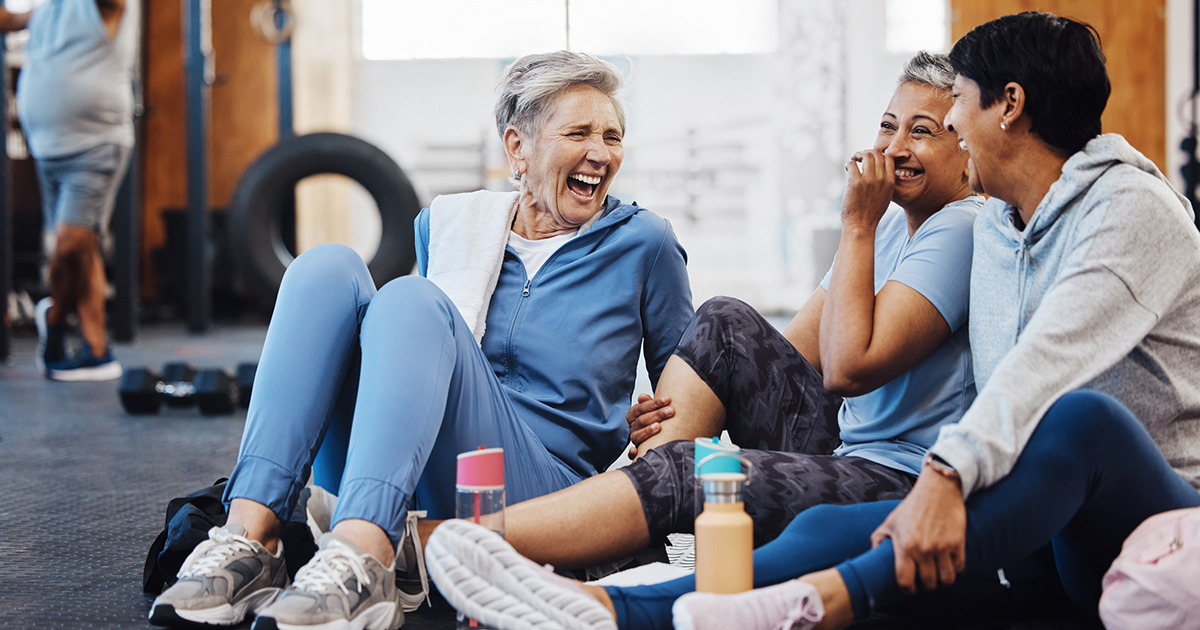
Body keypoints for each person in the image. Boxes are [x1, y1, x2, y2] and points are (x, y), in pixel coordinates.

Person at [425, 12, 1200, 630]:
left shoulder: (1116, 210)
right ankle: (613, 599)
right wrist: (691, 397)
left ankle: (547, 541)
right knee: (755, 397)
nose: (934, 132)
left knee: (1077, 419)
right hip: (1028, 506)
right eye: (895, 123)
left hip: (1122, 508)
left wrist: (944, 475)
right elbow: (792, 358)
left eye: (947, 113)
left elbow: (992, 371)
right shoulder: (1006, 223)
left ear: (1009, 105)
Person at [148, 51, 693, 630]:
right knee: (325, 267)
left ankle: (363, 557)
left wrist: (657, 428)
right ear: (517, 148)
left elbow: (692, 393)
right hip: (412, 466)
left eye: (613, 136)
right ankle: (251, 538)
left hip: (543, 493)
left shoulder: (645, 245)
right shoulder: (449, 227)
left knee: (409, 299)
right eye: (579, 132)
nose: (601, 153)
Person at [428, 51, 982, 575]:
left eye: (923, 131)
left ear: (967, 150)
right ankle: (624, 510)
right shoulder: (886, 227)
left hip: (902, 470)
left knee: (687, 472)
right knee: (723, 321)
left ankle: (455, 542)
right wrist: (670, 407)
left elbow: (846, 369)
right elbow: (781, 361)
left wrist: (855, 223)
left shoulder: (958, 226)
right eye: (889, 126)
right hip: (844, 440)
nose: (895, 147)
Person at [0, 0, 137, 381]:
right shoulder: (46, 10)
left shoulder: (106, 6)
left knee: (69, 245)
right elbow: (8, 20)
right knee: (83, 249)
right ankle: (96, 348)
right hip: (47, 148)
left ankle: (54, 321)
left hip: (96, 145)